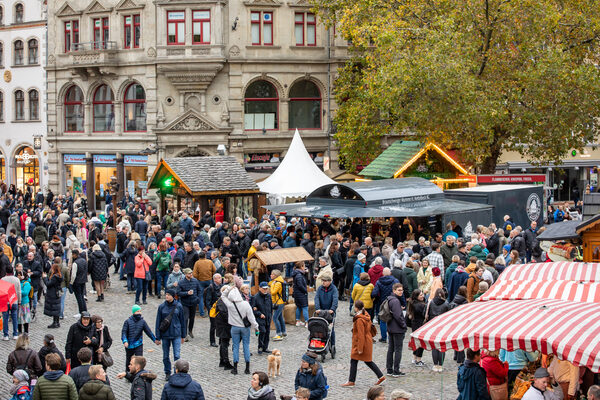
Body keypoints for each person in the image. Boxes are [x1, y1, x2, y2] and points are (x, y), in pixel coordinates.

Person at [341, 299, 385, 388]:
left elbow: (361, 334)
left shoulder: (359, 319)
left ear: (356, 308)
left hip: (361, 343)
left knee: (355, 360)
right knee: (366, 361)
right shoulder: (366, 314)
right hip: (367, 340)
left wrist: (360, 348)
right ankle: (380, 376)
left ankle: (351, 381)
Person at [221, 285, 259, 375]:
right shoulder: (246, 304)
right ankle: (247, 368)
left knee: (235, 347)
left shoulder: (230, 304)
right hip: (245, 328)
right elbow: (251, 318)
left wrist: (229, 288)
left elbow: (223, 295)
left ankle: (235, 368)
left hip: (234, 327)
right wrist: (256, 327)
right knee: (246, 346)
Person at [155, 288, 186, 380]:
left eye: (168, 295)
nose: (166, 296)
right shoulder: (161, 307)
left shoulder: (179, 306)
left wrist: (183, 335)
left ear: (173, 296)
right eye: (166, 294)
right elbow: (158, 322)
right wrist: (158, 337)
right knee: (165, 356)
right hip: (165, 334)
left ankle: (176, 373)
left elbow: (182, 321)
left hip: (176, 334)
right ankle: (167, 372)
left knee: (177, 355)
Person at [122, 304, 158, 372]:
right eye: (137, 311)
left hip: (138, 343)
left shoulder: (142, 322)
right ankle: (128, 372)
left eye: (140, 311)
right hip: (129, 344)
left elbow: (148, 331)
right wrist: (125, 341)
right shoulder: (127, 322)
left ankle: (139, 372)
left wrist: (154, 339)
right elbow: (124, 332)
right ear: (134, 312)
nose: (139, 313)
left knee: (139, 359)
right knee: (129, 360)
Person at [386, 283, 407, 378]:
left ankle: (389, 369)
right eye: (399, 290)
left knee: (391, 349)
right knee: (397, 350)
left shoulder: (390, 299)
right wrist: (404, 325)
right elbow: (398, 316)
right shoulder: (395, 301)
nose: (401, 292)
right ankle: (396, 370)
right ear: (394, 290)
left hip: (391, 327)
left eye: (402, 290)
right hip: (397, 329)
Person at [428, 288, 450, 371]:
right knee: (441, 346)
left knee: (434, 346)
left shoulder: (431, 302)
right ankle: (440, 365)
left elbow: (425, 313)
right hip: (443, 326)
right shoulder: (446, 304)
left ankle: (435, 364)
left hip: (432, 325)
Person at [314, 274, 338, 350]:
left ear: (330, 281)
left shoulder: (334, 289)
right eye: (322, 281)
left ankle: (332, 344)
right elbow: (316, 298)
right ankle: (320, 342)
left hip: (330, 312)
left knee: (331, 329)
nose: (323, 282)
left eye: (325, 281)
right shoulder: (320, 289)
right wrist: (317, 308)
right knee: (319, 327)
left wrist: (333, 309)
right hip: (321, 311)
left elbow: (335, 300)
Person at [178, 267, 201, 340]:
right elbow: (178, 293)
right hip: (185, 303)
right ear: (185, 274)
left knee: (192, 318)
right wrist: (186, 293)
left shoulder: (195, 281)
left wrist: (198, 298)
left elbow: (199, 290)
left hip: (193, 302)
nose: (191, 274)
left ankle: (190, 330)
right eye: (189, 273)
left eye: (191, 273)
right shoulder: (181, 282)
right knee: (185, 318)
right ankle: (184, 334)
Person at [251, 281, 273, 354]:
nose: (265, 290)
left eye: (266, 288)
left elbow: (270, 306)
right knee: (262, 331)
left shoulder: (268, 296)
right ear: (260, 288)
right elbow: (253, 309)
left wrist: (270, 314)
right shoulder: (255, 297)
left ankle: (265, 347)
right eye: (264, 289)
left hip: (268, 317)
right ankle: (260, 347)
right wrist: (259, 314)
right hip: (260, 318)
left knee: (267, 332)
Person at [407, 289, 427, 367]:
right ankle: (418, 360)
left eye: (422, 294)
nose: (423, 296)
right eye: (421, 295)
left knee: (416, 342)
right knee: (421, 343)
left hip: (414, 325)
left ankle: (414, 358)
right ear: (416, 296)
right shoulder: (421, 305)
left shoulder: (412, 303)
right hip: (420, 325)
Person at [193, 251, 215, 317]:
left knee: (200, 297)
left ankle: (202, 313)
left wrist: (198, 278)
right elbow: (214, 270)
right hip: (209, 280)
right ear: (205, 256)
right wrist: (211, 276)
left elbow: (194, 274)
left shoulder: (197, 263)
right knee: (210, 296)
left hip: (201, 281)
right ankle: (210, 312)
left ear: (199, 256)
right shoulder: (210, 262)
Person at [204, 273, 223, 347]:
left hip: (221, 309)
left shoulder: (222, 286)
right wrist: (210, 310)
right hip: (213, 309)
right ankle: (212, 341)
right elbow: (208, 300)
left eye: (220, 277)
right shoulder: (211, 287)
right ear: (214, 279)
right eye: (218, 278)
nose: (220, 279)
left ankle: (221, 340)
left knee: (221, 325)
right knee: (213, 326)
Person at [2, 265, 20, 339]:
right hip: (14, 301)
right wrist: (19, 301)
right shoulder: (16, 280)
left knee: (5, 318)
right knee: (15, 318)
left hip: (5, 301)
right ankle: (15, 334)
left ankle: (6, 335)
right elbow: (19, 292)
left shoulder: (3, 279)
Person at [268, 269, 287, 341]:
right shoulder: (276, 281)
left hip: (279, 302)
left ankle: (278, 333)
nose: (270, 275)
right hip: (279, 302)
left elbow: (273, 292)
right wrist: (271, 283)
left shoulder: (278, 283)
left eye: (272, 274)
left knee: (275, 318)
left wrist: (272, 285)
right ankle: (283, 332)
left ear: (275, 275)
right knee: (280, 317)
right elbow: (270, 283)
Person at [43, 263, 63, 329]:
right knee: (56, 308)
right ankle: (57, 322)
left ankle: (55, 322)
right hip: (56, 293)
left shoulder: (55, 277)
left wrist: (45, 278)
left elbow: (48, 284)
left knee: (54, 308)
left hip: (53, 294)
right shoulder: (59, 276)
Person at [70, 249, 88, 315]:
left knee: (79, 298)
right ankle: (84, 310)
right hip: (83, 281)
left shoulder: (75, 263)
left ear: (75, 254)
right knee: (82, 296)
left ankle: (81, 311)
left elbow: (73, 275)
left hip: (77, 282)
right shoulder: (84, 261)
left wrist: (71, 283)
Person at [292, 262, 309, 327]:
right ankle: (307, 322)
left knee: (299, 307)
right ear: (301, 266)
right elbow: (300, 285)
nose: (305, 267)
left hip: (297, 294)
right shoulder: (299, 275)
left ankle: (298, 321)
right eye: (304, 266)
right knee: (305, 307)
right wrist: (305, 291)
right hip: (301, 294)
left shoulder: (297, 273)